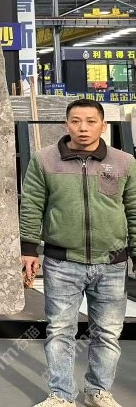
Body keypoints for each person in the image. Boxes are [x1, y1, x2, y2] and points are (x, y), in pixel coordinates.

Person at [20, 98, 136, 407]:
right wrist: (28, 249)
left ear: (103, 125)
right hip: (62, 262)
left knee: (107, 333)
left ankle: (98, 392)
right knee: (60, 331)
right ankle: (61, 395)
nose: (83, 127)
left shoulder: (124, 162)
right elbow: (31, 204)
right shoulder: (44, 160)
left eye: (90, 121)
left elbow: (134, 209)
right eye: (76, 121)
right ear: (66, 124)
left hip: (112, 263)